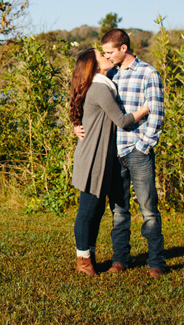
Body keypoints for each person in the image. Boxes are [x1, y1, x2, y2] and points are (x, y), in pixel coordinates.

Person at [69, 47, 149, 276]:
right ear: (93, 66)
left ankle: (89, 257)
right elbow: (122, 121)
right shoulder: (100, 88)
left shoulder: (103, 83)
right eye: (101, 56)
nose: (106, 57)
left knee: (95, 209)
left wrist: (76, 124)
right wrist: (145, 109)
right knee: (88, 210)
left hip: (98, 154)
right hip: (93, 156)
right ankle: (83, 262)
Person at [101, 28, 167, 277]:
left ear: (123, 49)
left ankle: (156, 263)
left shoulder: (148, 73)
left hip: (138, 151)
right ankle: (120, 260)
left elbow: (157, 114)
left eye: (110, 52)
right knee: (118, 210)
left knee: (149, 210)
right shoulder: (111, 75)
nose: (107, 57)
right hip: (114, 153)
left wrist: (144, 145)